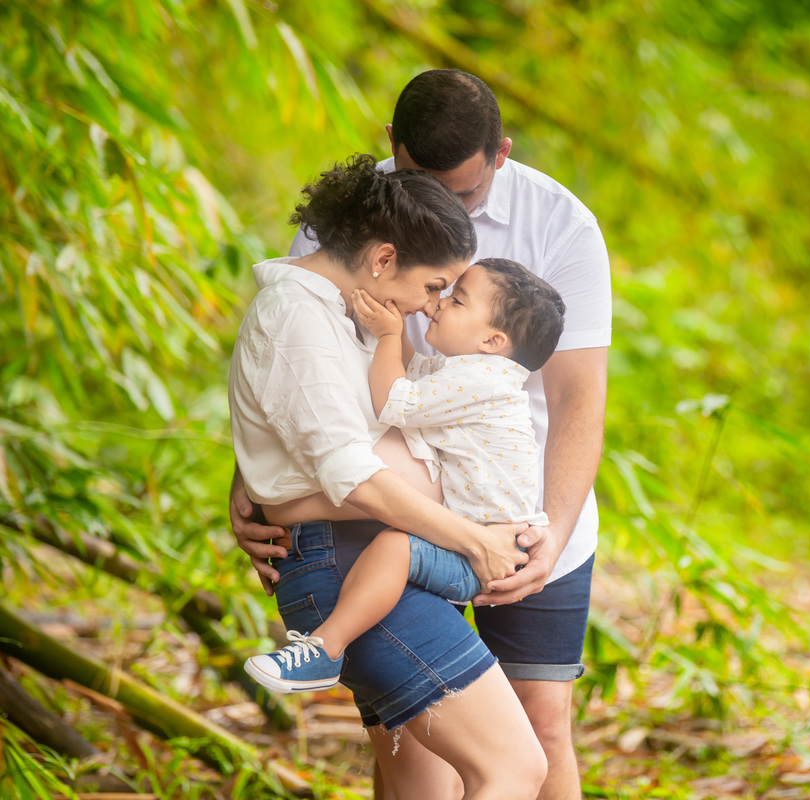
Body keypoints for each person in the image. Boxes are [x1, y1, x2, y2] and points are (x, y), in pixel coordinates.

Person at [231, 69, 610, 800]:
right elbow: (296, 387)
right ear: (391, 148)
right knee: (416, 753)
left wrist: (550, 534)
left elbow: (578, 402)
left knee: (538, 728)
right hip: (387, 513)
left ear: (499, 155)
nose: (436, 304)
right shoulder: (356, 220)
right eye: (438, 286)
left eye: (462, 193)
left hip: (520, 513)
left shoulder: (562, 224)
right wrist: (253, 488)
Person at [243, 258, 566, 693]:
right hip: (486, 538)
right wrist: (389, 335)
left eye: (455, 300)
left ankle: (325, 649)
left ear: (492, 340)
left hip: (486, 549)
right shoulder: (473, 372)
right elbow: (410, 374)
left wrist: (391, 336)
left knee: (395, 546)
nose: (437, 305)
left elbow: (394, 400)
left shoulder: (482, 380)